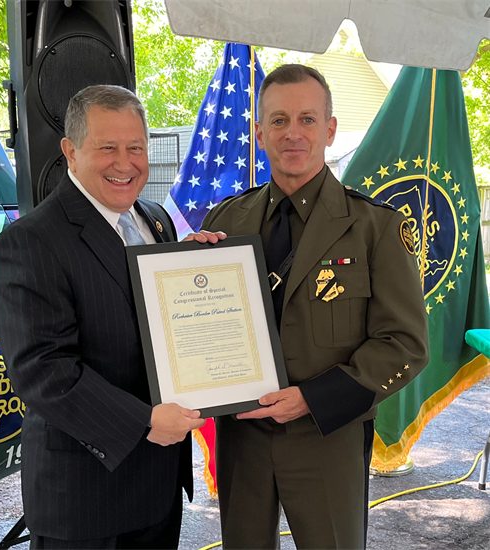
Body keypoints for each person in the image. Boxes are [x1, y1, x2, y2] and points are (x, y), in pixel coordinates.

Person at [201, 64, 429, 550]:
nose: (293, 133)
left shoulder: (374, 227)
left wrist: (313, 398)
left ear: (329, 130)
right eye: (278, 121)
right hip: (243, 439)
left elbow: (405, 344)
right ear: (259, 132)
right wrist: (188, 266)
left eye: (307, 119)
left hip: (327, 437)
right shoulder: (224, 221)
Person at [0, 85, 222, 550]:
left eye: (136, 147)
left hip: (157, 491)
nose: (125, 162)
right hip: (84, 499)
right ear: (70, 152)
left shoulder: (156, 220)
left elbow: (157, 320)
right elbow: (43, 371)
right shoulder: (31, 241)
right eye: (107, 147)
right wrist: (145, 423)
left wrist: (196, 268)